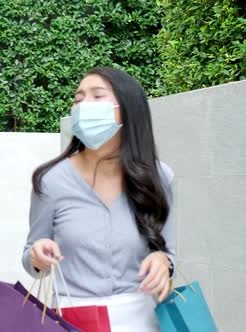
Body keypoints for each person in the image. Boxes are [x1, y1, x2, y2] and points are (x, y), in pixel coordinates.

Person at [22, 67, 175, 331]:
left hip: (141, 320)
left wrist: (163, 262)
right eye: (78, 98)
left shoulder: (159, 177)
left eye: (97, 96)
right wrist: (37, 255)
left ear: (127, 109)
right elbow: (31, 258)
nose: (83, 105)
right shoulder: (50, 180)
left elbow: (168, 253)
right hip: (74, 320)